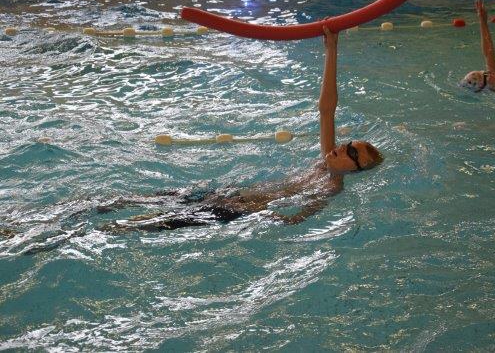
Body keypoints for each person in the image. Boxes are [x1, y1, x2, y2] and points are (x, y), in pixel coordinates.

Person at [100, 26, 383, 232]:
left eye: (351, 152)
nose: (342, 147)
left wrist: (263, 216)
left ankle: (97, 232)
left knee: (147, 223)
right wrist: (331, 49)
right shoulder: (325, 163)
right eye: (348, 144)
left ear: (356, 170)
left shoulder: (332, 186)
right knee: (148, 199)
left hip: (234, 210)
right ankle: (93, 206)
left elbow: (296, 219)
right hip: (233, 194)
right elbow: (327, 109)